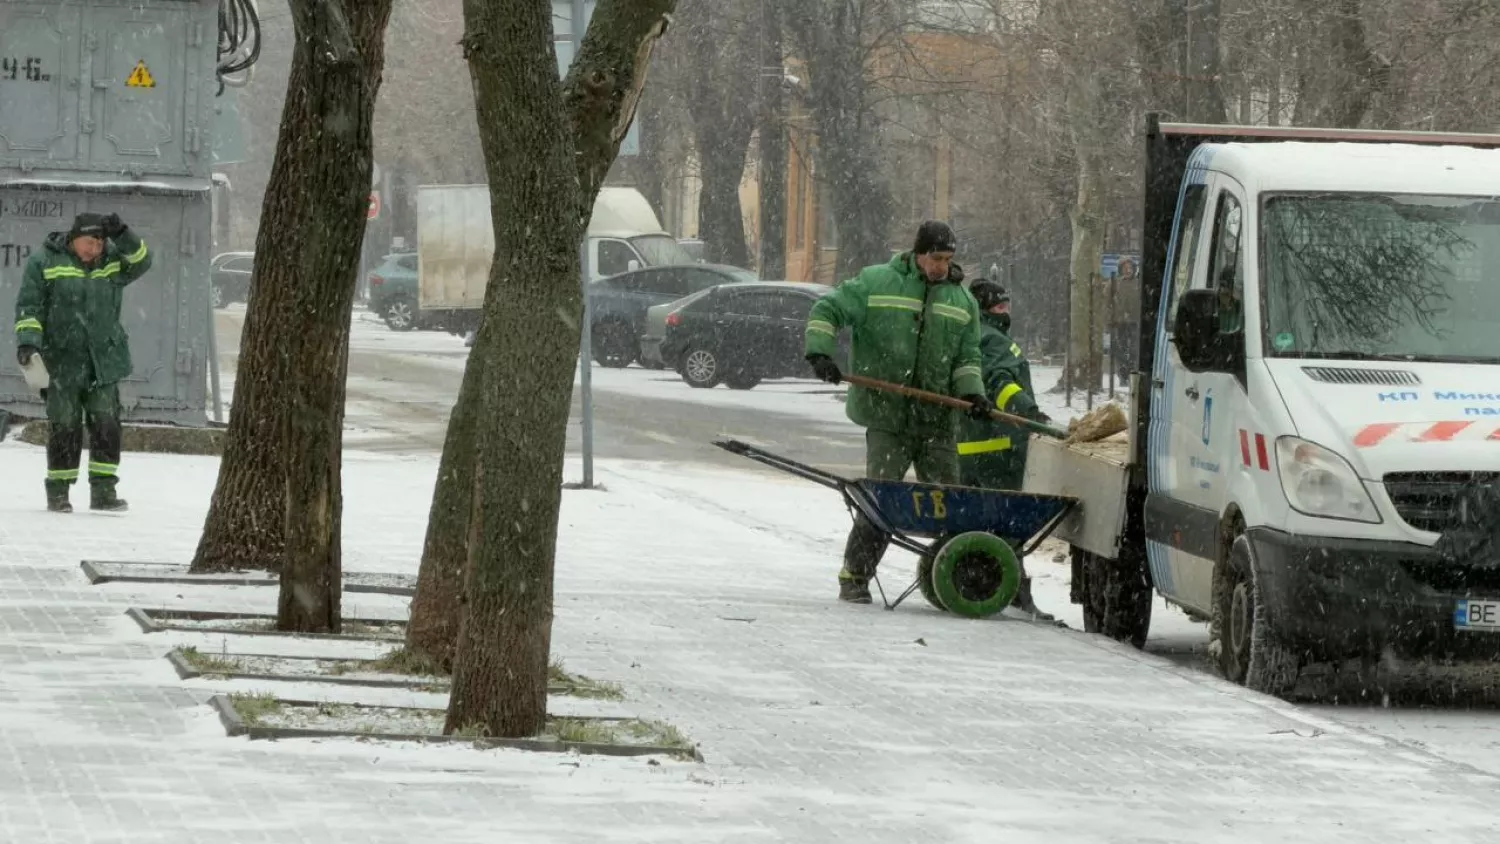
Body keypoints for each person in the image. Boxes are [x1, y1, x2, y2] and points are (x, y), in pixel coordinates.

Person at [804, 220, 990, 604]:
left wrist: (973, 392)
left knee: (950, 502)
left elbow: (967, 357)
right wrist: (820, 352)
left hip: (938, 420)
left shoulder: (963, 302)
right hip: (887, 416)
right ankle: (855, 577)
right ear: (918, 253)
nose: (941, 266)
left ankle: (957, 578)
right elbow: (828, 308)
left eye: (947, 259)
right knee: (881, 499)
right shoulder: (877, 283)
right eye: (935, 258)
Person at [14, 212, 153, 513]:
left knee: (106, 425)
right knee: (64, 425)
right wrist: (28, 342)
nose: (95, 250)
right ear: (74, 238)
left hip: (103, 360)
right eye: (90, 242)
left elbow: (143, 261)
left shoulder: (111, 260)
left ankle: (104, 492)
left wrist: (123, 234)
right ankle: (59, 493)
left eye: (100, 243)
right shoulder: (45, 261)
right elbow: (29, 306)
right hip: (61, 360)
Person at [957, 280, 1055, 619]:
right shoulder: (994, 340)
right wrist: (1028, 412)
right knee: (1008, 522)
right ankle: (1014, 591)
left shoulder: (971, 336)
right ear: (984, 310)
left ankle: (979, 584)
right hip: (998, 447)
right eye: (999, 306)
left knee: (978, 522)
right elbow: (999, 383)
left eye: (1006, 304)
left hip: (972, 446)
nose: (1006, 311)